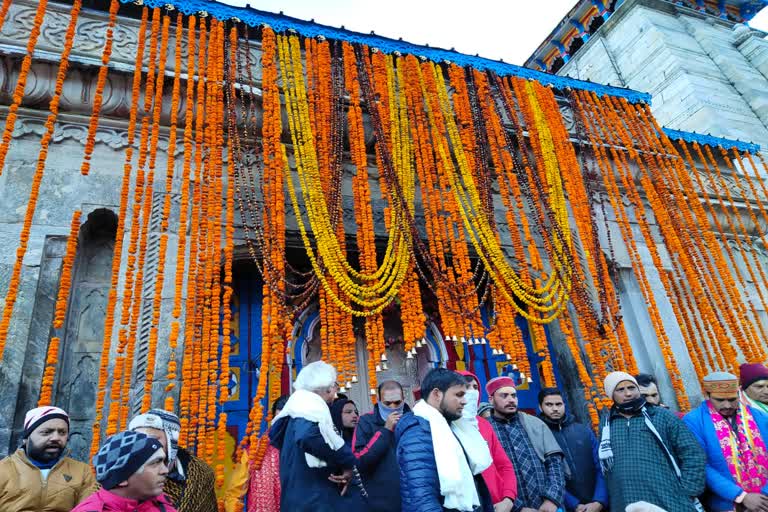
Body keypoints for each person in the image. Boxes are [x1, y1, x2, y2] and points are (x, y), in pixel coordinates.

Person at [598, 371, 705, 512]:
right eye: (620, 390)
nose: (628, 394)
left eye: (631, 388)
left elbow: (692, 453)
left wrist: (688, 490)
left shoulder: (661, 415)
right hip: (624, 500)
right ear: (611, 395)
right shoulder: (607, 424)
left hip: (668, 498)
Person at [396, 367, 494, 512]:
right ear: (437, 394)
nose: (464, 401)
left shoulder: (452, 427)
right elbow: (423, 499)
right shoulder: (417, 435)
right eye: (459, 395)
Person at [268, 361, 360, 512]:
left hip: (301, 497)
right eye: (334, 386)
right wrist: (345, 459)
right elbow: (306, 436)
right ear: (329, 388)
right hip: (313, 500)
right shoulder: (309, 407)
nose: (335, 393)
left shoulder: (297, 407)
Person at [684, 371, 768, 512]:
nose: (727, 405)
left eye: (732, 399)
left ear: (739, 394)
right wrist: (741, 496)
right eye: (720, 400)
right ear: (707, 395)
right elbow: (701, 465)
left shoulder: (758, 416)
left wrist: (764, 494)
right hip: (727, 502)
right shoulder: (694, 421)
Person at [486, 375, 566, 512]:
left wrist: (551, 500)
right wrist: (518, 508)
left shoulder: (535, 423)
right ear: (491, 399)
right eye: (504, 396)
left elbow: (555, 463)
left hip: (548, 507)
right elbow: (489, 475)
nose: (511, 400)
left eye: (513, 395)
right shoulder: (485, 429)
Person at [0, 406, 97, 511]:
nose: (56, 438)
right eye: (46, 432)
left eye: (62, 432)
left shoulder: (82, 472)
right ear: (26, 438)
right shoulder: (3, 469)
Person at [128, 408, 217, 512]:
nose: (145, 445)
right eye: (139, 438)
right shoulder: (119, 470)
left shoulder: (201, 474)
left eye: (153, 438)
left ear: (171, 441)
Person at [538, 387, 607, 512]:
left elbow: (601, 466)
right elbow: (545, 476)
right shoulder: (538, 435)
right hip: (566, 506)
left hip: (598, 504)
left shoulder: (583, 430)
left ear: (564, 405)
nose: (555, 408)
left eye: (558, 404)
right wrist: (574, 504)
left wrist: (599, 500)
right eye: (549, 404)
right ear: (540, 407)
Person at [457, 370, 518, 512]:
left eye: (475, 387)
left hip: (498, 505)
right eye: (466, 387)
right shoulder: (446, 425)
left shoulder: (483, 424)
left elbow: (504, 465)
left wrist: (508, 499)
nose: (472, 392)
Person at [72, 430, 177, 512]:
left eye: (163, 461)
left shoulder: (161, 504)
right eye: (155, 463)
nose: (165, 470)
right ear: (122, 479)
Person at [351, 380, 411, 512]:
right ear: (378, 399)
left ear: (403, 398)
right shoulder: (366, 421)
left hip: (413, 498)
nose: (393, 407)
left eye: (397, 402)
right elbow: (358, 461)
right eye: (387, 403)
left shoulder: (413, 420)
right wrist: (385, 430)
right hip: (381, 502)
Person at [243, 395, 289, 512]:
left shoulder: (306, 447)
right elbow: (235, 490)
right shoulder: (255, 451)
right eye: (279, 420)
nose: (282, 425)